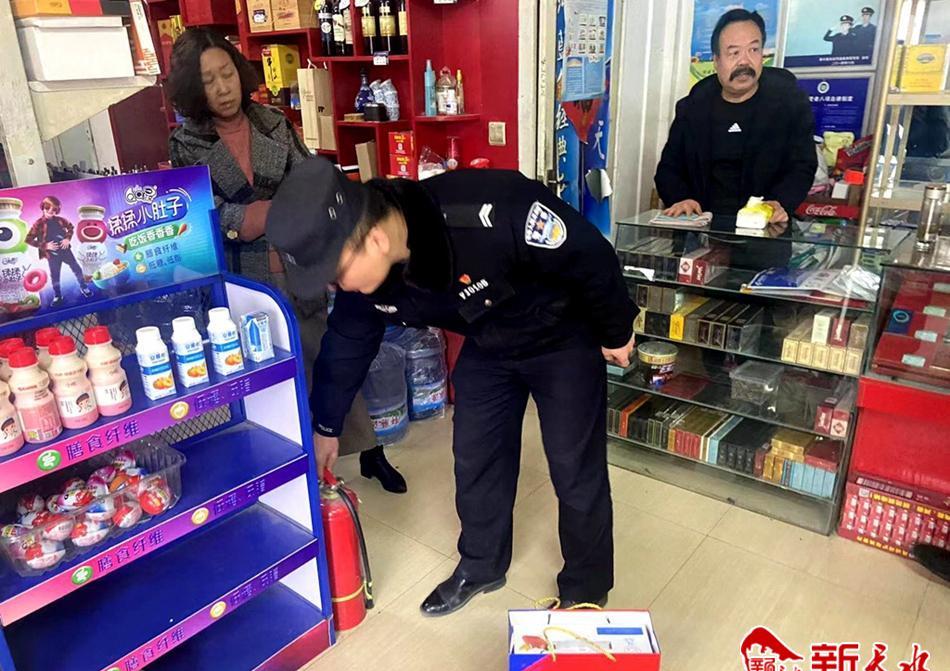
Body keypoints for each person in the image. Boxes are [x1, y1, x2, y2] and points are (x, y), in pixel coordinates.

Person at [266, 158, 637, 615]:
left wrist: (616, 330)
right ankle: (482, 564)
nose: (337, 285)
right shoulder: (366, 284)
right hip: (489, 339)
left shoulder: (490, 210)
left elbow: (589, 255)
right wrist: (326, 426)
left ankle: (586, 585)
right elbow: (346, 344)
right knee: (476, 455)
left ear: (376, 239)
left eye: (337, 272)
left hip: (561, 335)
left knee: (573, 466)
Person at [166, 28, 406, 493]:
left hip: (298, 260)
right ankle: (292, 467)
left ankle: (370, 451)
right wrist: (247, 218)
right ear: (194, 89)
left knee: (329, 359)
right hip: (245, 272)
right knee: (268, 373)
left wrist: (294, 221)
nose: (223, 88)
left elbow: (311, 182)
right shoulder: (185, 143)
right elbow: (193, 210)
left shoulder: (274, 122)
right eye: (209, 81)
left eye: (227, 74)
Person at [655, 9, 817, 224]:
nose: (744, 61)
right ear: (716, 60)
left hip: (765, 227)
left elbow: (802, 166)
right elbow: (668, 169)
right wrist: (681, 198)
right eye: (734, 53)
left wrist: (780, 202)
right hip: (701, 227)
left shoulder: (789, 105)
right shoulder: (692, 108)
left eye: (754, 50)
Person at [26, 196, 92, 307]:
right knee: (55, 275)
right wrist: (45, 245)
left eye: (54, 211)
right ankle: (57, 295)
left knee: (76, 268)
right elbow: (28, 239)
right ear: (43, 208)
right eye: (48, 209)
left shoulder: (60, 220)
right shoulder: (38, 223)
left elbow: (70, 227)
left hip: (65, 250)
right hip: (51, 254)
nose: (50, 212)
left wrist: (67, 239)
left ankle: (84, 286)